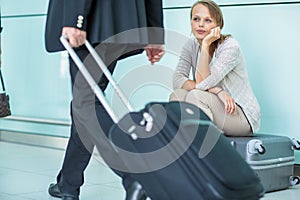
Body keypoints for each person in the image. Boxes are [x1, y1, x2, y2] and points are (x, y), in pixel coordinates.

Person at [44, 1, 164, 200]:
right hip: (123, 20)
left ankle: (135, 176)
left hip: (95, 19)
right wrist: (155, 33)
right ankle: (68, 183)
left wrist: (76, 18)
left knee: (87, 104)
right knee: (87, 104)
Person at [170, 0, 260, 136]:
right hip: (215, 103)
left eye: (208, 20)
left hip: (240, 114)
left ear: (218, 25)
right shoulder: (191, 45)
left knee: (195, 95)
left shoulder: (230, 47)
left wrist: (205, 44)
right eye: (196, 19)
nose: (200, 24)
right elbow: (177, 80)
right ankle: (184, 143)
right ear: (191, 22)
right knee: (177, 95)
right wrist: (218, 91)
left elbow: (202, 83)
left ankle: (208, 145)